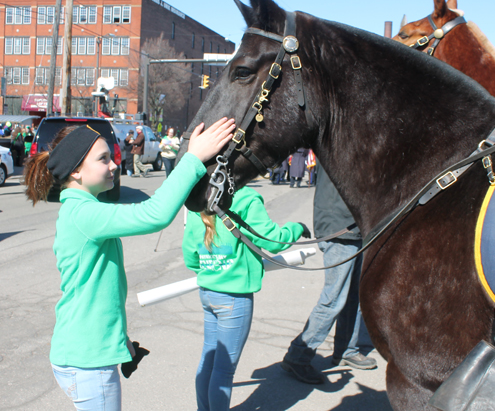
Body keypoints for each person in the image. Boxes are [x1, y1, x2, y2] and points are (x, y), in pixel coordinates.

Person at [22, 118, 235, 410]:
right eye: (103, 159)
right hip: (87, 363)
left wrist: (121, 342)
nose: (113, 165)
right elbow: (154, 214)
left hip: (87, 353)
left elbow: (97, 293)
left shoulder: (83, 210)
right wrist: (194, 159)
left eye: (111, 156)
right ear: (76, 171)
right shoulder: (82, 214)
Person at [182, 187, 310, 411]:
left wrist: (213, 269)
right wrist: (297, 227)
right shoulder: (245, 198)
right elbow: (273, 241)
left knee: (209, 360)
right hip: (235, 298)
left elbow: (191, 256)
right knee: (223, 370)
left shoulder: (197, 198)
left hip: (208, 293)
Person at [281, 163, 377, 384]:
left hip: (351, 228)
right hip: (342, 228)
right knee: (334, 299)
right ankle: (298, 356)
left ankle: (346, 350)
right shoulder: (347, 142)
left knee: (352, 296)